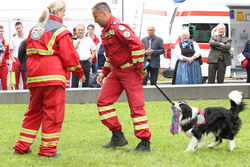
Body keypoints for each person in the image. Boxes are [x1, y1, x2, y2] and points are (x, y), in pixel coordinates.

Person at [13, 0, 85, 157]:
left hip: (34, 77)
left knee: (33, 112)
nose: (65, 14)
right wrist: (80, 72)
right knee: (53, 113)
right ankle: (47, 150)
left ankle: (22, 146)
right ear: (58, 12)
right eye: (64, 11)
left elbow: (24, 50)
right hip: (52, 76)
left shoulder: (35, 29)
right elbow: (69, 56)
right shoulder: (61, 30)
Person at [92, 2, 151, 152]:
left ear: (104, 13)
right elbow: (111, 54)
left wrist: (139, 67)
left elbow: (138, 46)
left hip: (130, 72)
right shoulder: (106, 31)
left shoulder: (119, 27)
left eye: (96, 17)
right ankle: (117, 136)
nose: (95, 21)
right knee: (103, 102)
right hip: (116, 72)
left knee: (136, 108)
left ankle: (145, 142)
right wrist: (104, 72)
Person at [9, 22, 27, 90]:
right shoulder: (13, 39)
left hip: (24, 61)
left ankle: (26, 93)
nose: (18, 29)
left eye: (19, 28)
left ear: (22, 28)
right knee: (14, 80)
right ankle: (14, 94)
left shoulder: (26, 38)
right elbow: (11, 51)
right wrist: (13, 59)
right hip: (16, 60)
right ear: (15, 29)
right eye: (17, 28)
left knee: (25, 79)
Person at [0, 25, 10, 90]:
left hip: (3, 66)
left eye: (3, 31)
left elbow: (7, 54)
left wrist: (7, 64)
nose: (2, 33)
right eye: (0, 31)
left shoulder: (6, 42)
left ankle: (4, 98)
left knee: (4, 84)